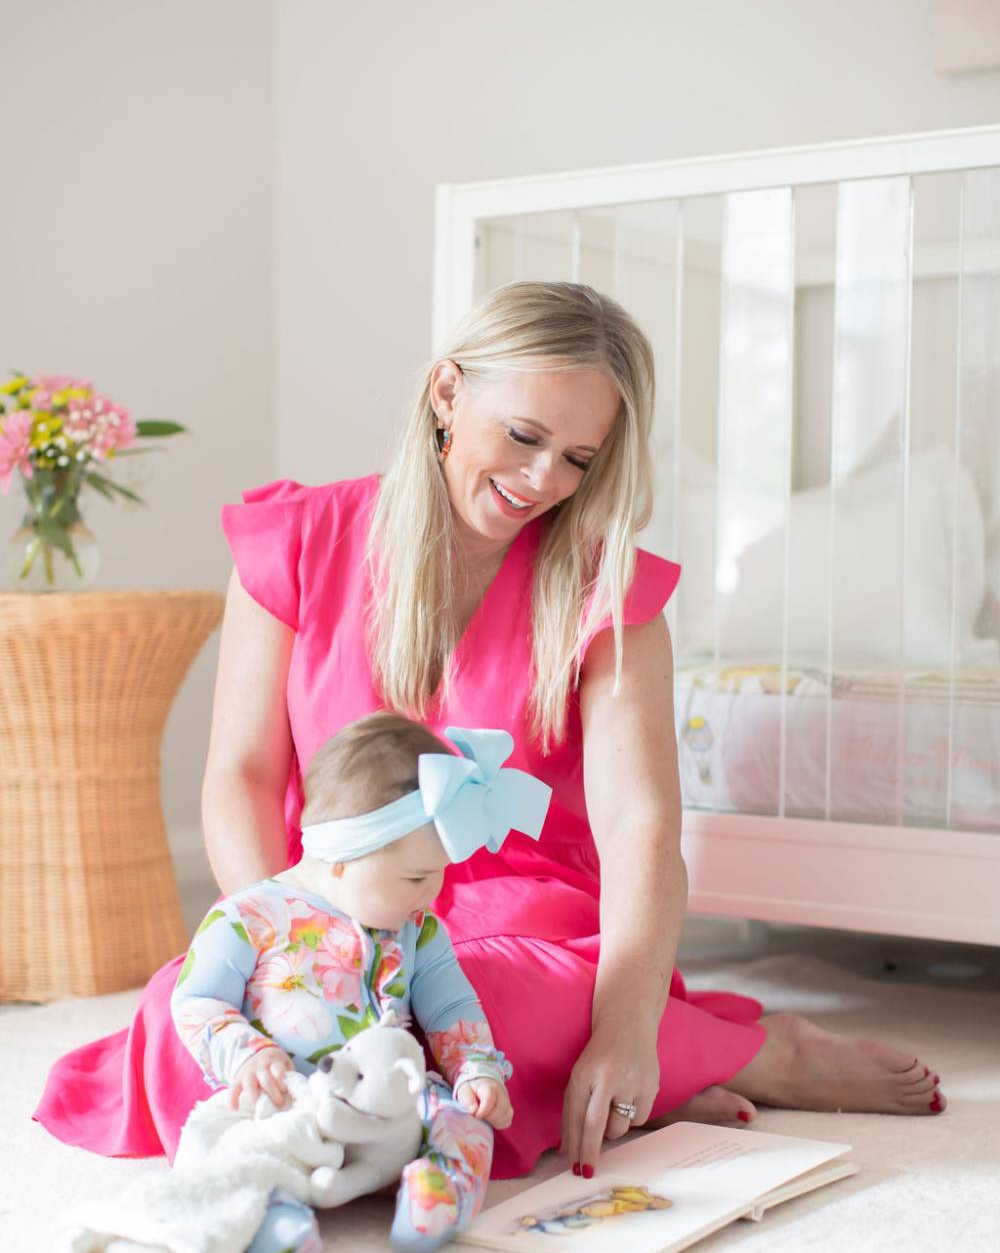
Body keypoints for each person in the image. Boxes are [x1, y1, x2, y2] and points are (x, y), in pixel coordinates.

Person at [35, 280, 945, 1190]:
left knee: (475, 1008)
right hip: (326, 901)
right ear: (446, 394)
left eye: (579, 458)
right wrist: (285, 937)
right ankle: (680, 1067)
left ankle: (743, 1054)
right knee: (173, 1021)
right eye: (524, 437)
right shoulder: (299, 539)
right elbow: (238, 773)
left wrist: (625, 1025)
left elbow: (642, 825)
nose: (545, 480)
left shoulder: (606, 588)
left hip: (529, 922)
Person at [169, 711, 536, 1253]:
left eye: (438, 874)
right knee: (229, 1143)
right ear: (342, 858)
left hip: (390, 1100)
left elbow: (452, 1008)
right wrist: (248, 1052)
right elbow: (196, 1001)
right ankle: (274, 1218)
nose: (431, 892)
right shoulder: (247, 918)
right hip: (288, 1097)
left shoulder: (418, 931)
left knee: (462, 1122)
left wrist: (476, 1069)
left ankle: (436, 1194)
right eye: (416, 877)